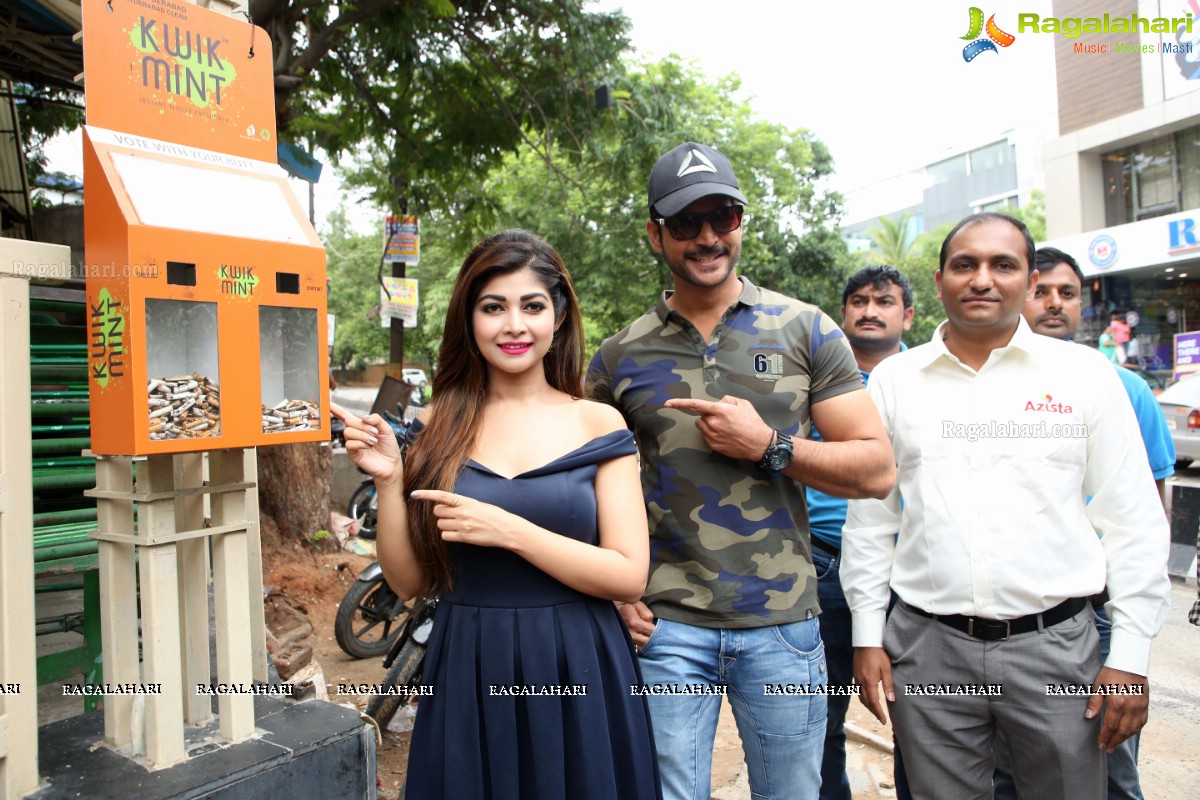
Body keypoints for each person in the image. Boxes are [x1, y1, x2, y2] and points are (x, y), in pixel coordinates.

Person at [587, 141, 896, 800]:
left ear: (741, 222)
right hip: (665, 627)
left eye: (720, 217)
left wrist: (769, 447)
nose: (705, 237)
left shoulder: (806, 330)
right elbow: (583, 486)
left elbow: (875, 469)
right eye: (684, 223)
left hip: (783, 625)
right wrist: (610, 588)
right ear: (655, 234)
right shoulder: (618, 357)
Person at [842, 213, 1172, 800]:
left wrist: (1131, 657)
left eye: (1003, 265)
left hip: (1058, 650)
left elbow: (1132, 521)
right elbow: (872, 521)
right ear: (940, 280)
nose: (982, 279)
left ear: (1027, 277)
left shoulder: (1084, 376)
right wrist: (868, 637)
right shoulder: (895, 380)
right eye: (965, 265)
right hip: (927, 648)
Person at [334, 229, 662, 800]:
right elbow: (411, 581)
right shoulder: (438, 425)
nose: (514, 325)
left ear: (557, 316)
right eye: (494, 307)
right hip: (470, 658)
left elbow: (629, 573)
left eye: (532, 306)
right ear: (470, 319)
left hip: (579, 660)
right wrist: (389, 480)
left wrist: (511, 532)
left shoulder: (598, 422)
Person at [988, 246, 1176, 800]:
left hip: (1101, 605)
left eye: (1067, 294)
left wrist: (1131, 616)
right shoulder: (985, 384)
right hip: (1025, 610)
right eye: (1041, 292)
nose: (1053, 304)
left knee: (1109, 763)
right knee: (1011, 767)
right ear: (1022, 295)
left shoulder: (1126, 387)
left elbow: (1148, 506)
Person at [806, 265, 913, 800]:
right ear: (843, 312)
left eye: (885, 301)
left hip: (916, 580)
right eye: (859, 301)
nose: (871, 310)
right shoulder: (814, 383)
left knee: (927, 723)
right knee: (818, 718)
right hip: (824, 569)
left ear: (907, 314)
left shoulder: (928, 381)